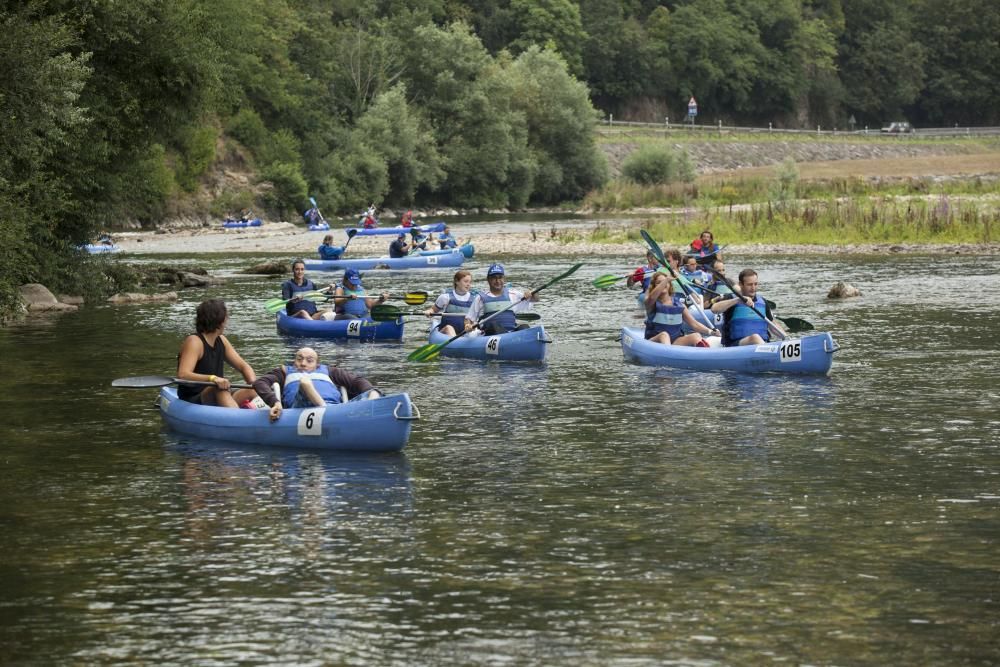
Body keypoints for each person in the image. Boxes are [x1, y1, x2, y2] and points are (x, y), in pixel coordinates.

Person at [253, 347, 381, 422]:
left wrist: (371, 394)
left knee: (373, 392)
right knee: (304, 382)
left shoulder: (330, 371)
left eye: (309, 360)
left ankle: (370, 414)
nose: (303, 363)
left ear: (317, 364)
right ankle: (327, 412)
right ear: (294, 361)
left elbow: (356, 381)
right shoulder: (284, 372)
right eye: (299, 359)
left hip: (337, 409)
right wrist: (275, 402)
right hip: (299, 408)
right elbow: (260, 382)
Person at [176, 299, 258, 407]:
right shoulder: (194, 342)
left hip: (219, 394)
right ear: (219, 321)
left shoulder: (221, 340)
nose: (227, 322)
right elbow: (183, 375)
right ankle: (238, 419)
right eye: (226, 318)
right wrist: (213, 378)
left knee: (254, 390)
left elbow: (243, 367)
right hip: (194, 398)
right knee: (218, 388)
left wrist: (254, 384)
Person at [711, 268, 784, 346]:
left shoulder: (763, 301)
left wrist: (786, 338)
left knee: (758, 338)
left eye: (755, 284)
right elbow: (714, 309)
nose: (753, 288)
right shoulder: (732, 298)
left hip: (762, 344)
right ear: (741, 284)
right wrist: (738, 300)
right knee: (755, 338)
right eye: (749, 284)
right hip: (735, 345)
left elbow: (773, 326)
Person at [644, 273, 717, 346]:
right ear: (654, 287)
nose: (663, 284)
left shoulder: (680, 305)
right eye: (658, 283)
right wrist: (666, 280)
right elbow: (652, 298)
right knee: (664, 335)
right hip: (654, 341)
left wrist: (710, 332)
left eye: (665, 282)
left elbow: (694, 324)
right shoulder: (651, 304)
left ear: (669, 285)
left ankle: (704, 354)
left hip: (675, 342)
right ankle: (668, 354)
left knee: (696, 336)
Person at [465, 263, 537, 336]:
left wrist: (532, 294)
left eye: (500, 277)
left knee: (525, 327)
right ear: (488, 279)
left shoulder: (513, 294)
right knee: (495, 326)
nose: (497, 281)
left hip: (511, 334)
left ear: (504, 279)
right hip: (489, 336)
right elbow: (469, 319)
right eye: (494, 278)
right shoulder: (480, 298)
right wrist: (468, 325)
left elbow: (535, 299)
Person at [425, 270, 476, 336]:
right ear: (457, 281)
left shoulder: (474, 299)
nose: (468, 284)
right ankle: (456, 343)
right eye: (466, 281)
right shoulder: (445, 297)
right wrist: (428, 312)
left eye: (470, 282)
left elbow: (476, 317)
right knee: (449, 328)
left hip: (465, 331)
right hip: (446, 332)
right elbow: (433, 310)